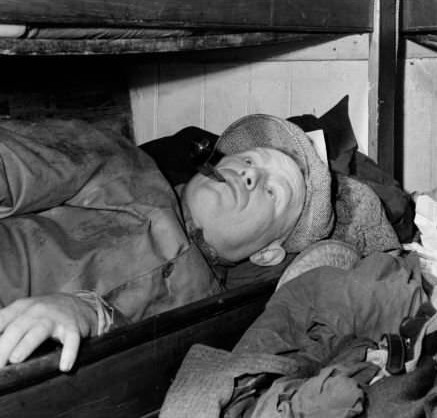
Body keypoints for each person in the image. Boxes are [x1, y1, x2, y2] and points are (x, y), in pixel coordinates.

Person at [0, 112, 333, 372]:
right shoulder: (121, 163)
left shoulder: (209, 330)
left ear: (266, 254)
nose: (250, 173)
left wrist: (88, 314)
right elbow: (13, 164)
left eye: (273, 191)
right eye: (248, 159)